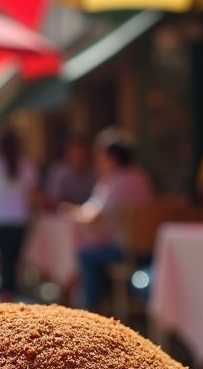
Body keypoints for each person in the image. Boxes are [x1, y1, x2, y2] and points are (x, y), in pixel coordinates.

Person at [62, 128, 154, 313]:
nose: (97, 161)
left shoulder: (113, 182)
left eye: (100, 156)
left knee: (86, 255)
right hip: (147, 249)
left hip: (125, 251)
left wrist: (71, 212)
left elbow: (95, 216)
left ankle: (92, 310)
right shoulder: (141, 178)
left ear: (111, 158)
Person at [0, 130, 39, 303]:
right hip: (19, 217)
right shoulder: (27, 165)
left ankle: (5, 290)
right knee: (13, 257)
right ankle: (9, 289)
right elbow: (32, 195)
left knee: (3, 256)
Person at [44, 134, 97, 206]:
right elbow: (53, 199)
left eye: (81, 152)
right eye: (75, 152)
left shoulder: (96, 170)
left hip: (89, 213)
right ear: (68, 152)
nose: (79, 156)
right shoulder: (58, 171)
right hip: (62, 214)